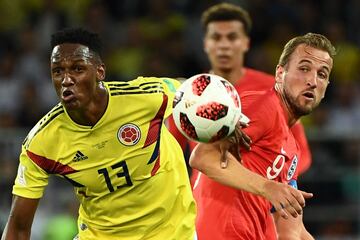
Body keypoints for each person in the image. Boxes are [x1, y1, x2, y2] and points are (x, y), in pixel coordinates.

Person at [1, 28, 197, 240]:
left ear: (100, 72)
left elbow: (193, 90)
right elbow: (19, 227)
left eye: (77, 69)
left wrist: (227, 125)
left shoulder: (146, 98)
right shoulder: (41, 142)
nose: (66, 80)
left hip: (172, 233)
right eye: (58, 71)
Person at [167, 3, 312, 238]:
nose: (224, 44)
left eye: (232, 37)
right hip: (205, 205)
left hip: (259, 210)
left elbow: (298, 156)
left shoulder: (271, 91)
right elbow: (170, 155)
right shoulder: (189, 97)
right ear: (206, 43)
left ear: (246, 43)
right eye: (216, 37)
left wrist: (271, 181)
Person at [190, 32, 336, 239]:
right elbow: (203, 157)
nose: (312, 81)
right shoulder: (264, 106)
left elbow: (292, 228)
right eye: (304, 69)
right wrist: (268, 187)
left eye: (322, 74)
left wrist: (274, 190)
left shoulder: (292, 149)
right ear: (279, 73)